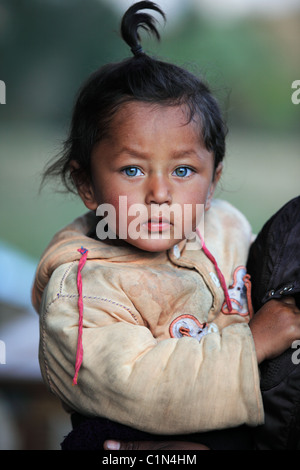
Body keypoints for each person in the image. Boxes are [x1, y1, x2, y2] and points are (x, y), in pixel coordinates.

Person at [32, 2, 300, 450]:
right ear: (87, 184)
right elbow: (139, 385)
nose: (160, 193)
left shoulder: (227, 227)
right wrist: (252, 344)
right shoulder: (82, 290)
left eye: (182, 171)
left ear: (213, 181)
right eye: (133, 171)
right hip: (140, 438)